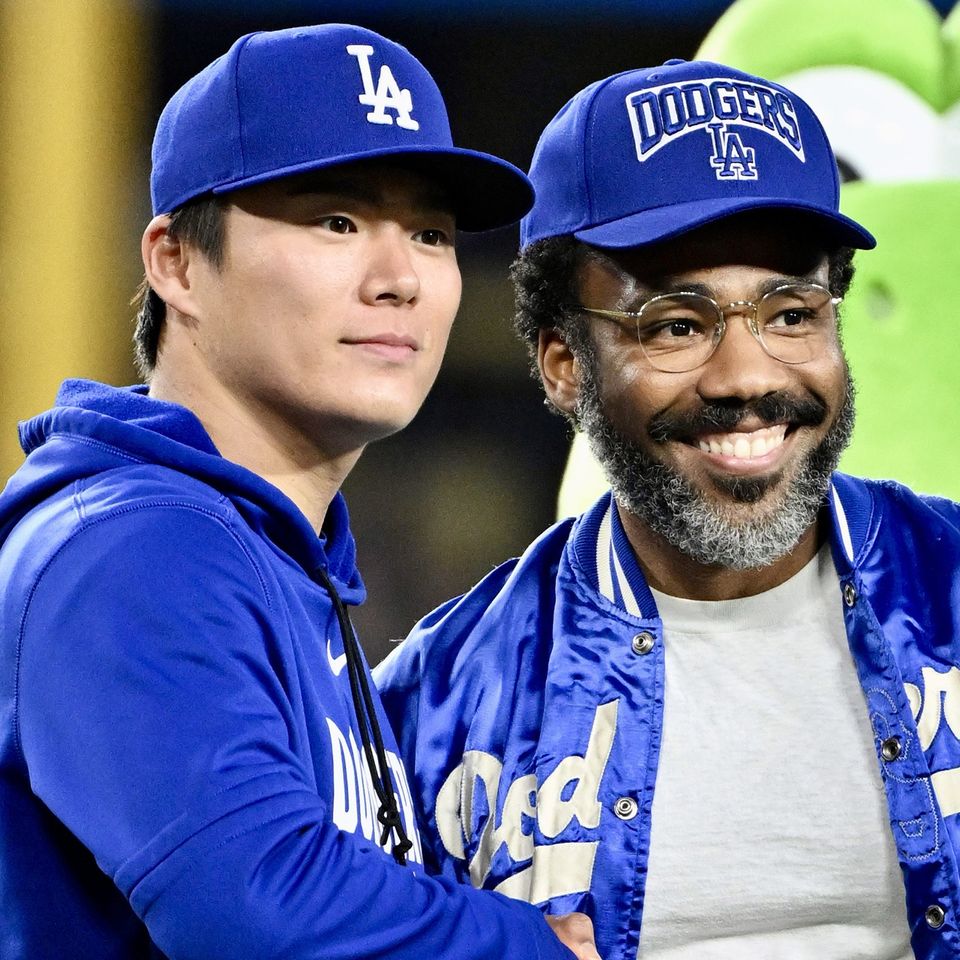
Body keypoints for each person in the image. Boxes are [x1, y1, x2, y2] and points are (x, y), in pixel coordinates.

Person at [0, 23, 600, 960]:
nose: (399, 278)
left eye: (432, 234)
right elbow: (251, 907)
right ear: (176, 263)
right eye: (337, 221)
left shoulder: (267, 556)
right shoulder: (137, 548)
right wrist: (528, 947)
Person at [375, 58, 960, 960]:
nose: (749, 377)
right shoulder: (436, 707)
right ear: (563, 362)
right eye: (676, 325)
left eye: (793, 313)